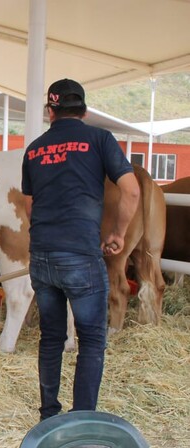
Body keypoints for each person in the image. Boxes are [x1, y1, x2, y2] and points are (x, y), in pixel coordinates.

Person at [21, 78, 140, 422]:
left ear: (50, 111)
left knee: (51, 336)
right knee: (90, 339)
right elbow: (131, 191)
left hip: (42, 254)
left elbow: (30, 207)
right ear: (84, 111)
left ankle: (49, 415)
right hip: (81, 255)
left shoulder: (34, 150)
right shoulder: (100, 139)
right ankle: (82, 421)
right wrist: (118, 233)